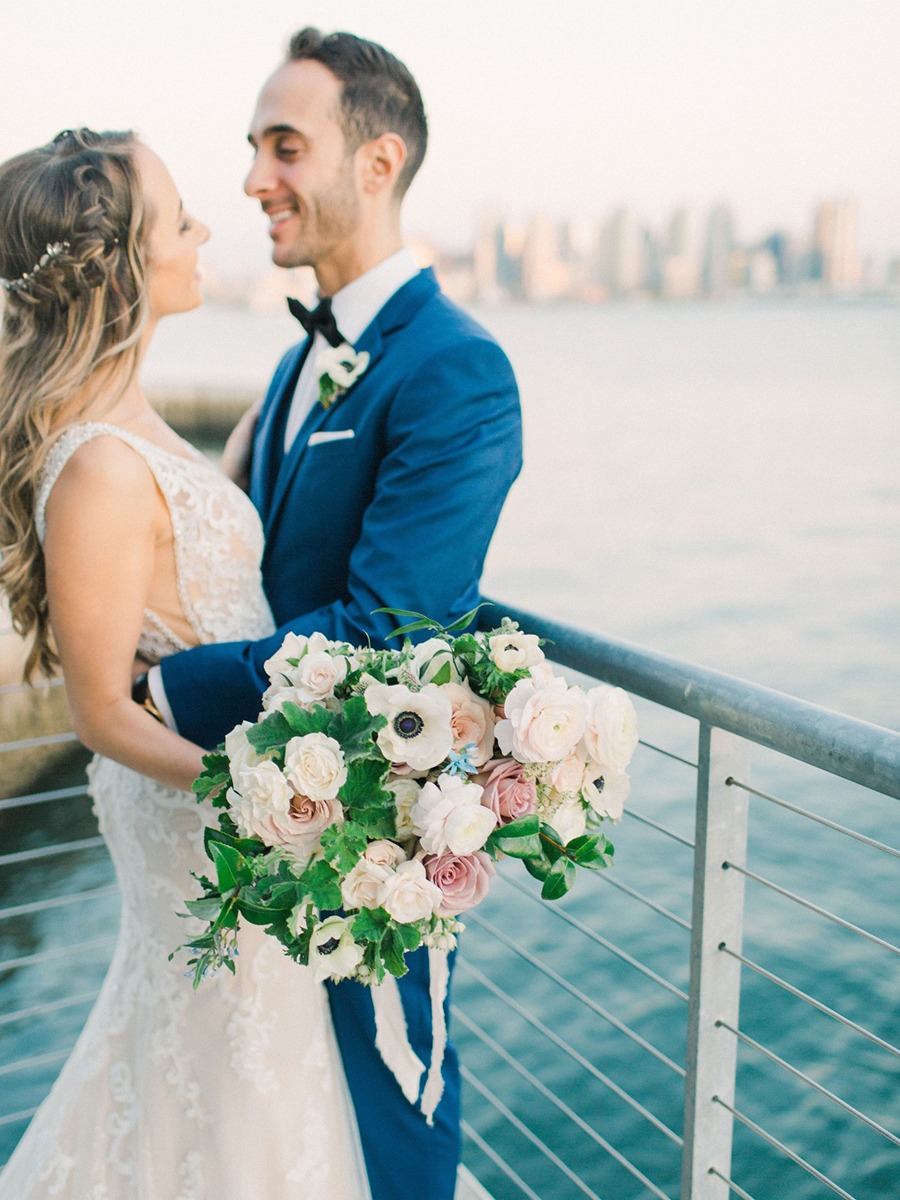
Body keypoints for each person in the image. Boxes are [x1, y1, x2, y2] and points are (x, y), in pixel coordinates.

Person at [148, 27, 523, 1200]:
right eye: (255, 148)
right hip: (269, 812)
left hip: (371, 836)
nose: (256, 179)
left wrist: (158, 686)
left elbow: (392, 637)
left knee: (389, 1119)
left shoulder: (456, 368)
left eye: (284, 146)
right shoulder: (298, 361)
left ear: (377, 162)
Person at [0, 128, 369, 1198]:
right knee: (233, 1077)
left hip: (223, 806)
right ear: (122, 269)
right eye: (180, 220)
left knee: (230, 1075)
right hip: (201, 815)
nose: (207, 229)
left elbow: (190, 556)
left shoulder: (125, 420)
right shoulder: (99, 470)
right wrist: (262, 801)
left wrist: (273, 429)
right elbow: (100, 714)